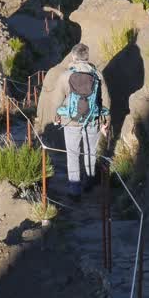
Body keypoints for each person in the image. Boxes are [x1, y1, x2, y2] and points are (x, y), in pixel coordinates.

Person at [46, 43, 111, 199]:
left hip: (71, 122)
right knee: (90, 152)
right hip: (92, 120)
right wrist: (106, 120)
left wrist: (55, 116)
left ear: (73, 57)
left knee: (73, 154)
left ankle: (74, 189)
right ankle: (88, 181)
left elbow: (56, 101)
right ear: (87, 57)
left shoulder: (65, 76)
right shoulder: (97, 75)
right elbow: (106, 100)